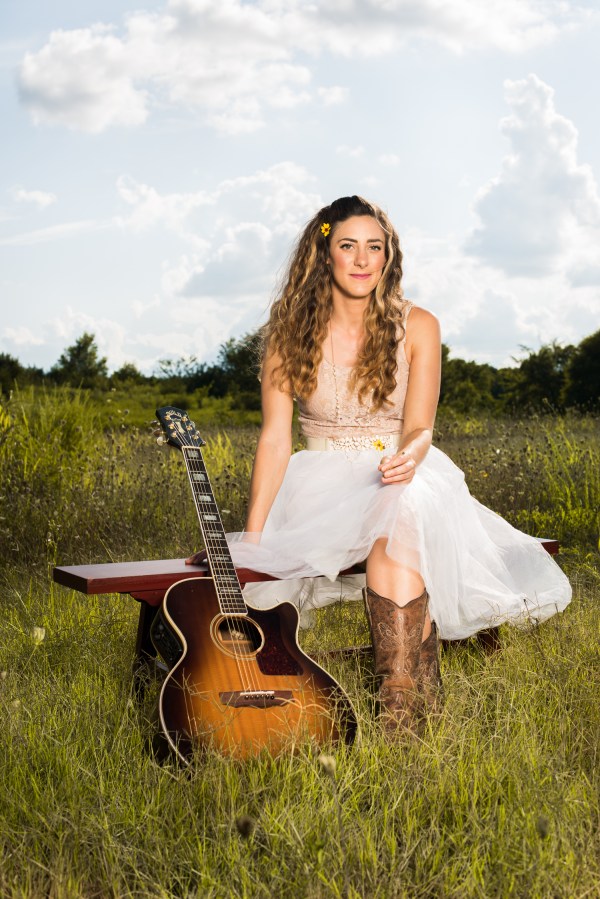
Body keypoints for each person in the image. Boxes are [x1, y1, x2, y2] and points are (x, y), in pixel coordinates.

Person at [188, 195, 572, 733]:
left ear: (389, 256)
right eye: (348, 246)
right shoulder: (288, 332)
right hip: (319, 484)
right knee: (392, 523)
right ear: (324, 254)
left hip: (402, 471)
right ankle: (417, 703)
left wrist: (409, 460)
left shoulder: (419, 325)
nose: (363, 259)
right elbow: (274, 439)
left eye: (375, 246)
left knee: (399, 517)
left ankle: (398, 708)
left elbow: (420, 428)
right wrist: (254, 536)